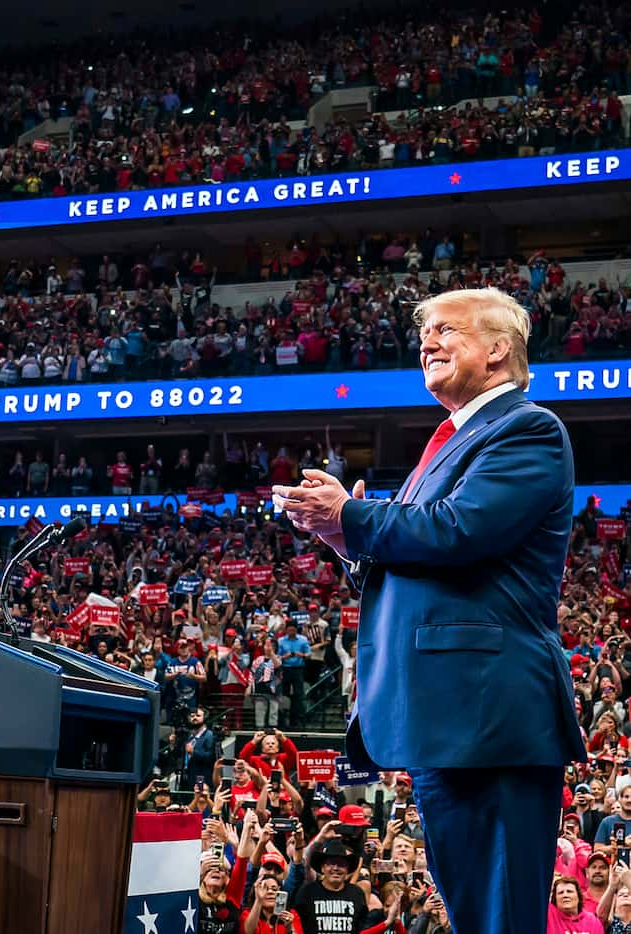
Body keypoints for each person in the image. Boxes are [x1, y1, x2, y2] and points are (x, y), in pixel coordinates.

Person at [275, 287, 585, 934]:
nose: (429, 341)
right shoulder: (446, 444)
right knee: (475, 913)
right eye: (426, 333)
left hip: (492, 714)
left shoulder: (528, 429)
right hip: (450, 717)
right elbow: (425, 558)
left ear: (499, 349)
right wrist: (342, 536)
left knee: (502, 916)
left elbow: (460, 531)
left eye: (449, 330)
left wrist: (354, 516)